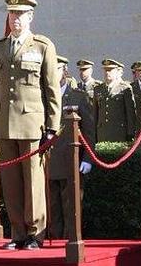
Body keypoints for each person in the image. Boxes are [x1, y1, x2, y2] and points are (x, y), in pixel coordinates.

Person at [0, 0, 61, 250]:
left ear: (30, 17)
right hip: (5, 123)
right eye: (11, 14)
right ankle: (17, 232)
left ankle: (34, 234)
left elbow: (51, 89)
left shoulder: (42, 46)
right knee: (10, 182)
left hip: (32, 124)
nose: (15, 19)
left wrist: (52, 127)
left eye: (20, 15)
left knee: (33, 181)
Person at [48, 56, 94, 239]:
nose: (53, 73)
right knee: (52, 208)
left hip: (71, 159)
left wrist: (88, 158)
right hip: (49, 160)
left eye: (57, 69)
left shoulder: (78, 96)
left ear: (64, 71)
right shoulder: (44, 97)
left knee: (71, 206)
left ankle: (70, 242)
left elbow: (89, 131)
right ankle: (54, 242)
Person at [93, 59, 137, 142]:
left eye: (110, 70)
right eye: (105, 70)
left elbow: (130, 114)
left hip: (119, 133)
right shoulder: (98, 89)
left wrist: (130, 133)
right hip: (102, 133)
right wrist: (94, 132)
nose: (107, 73)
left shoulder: (125, 88)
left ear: (117, 72)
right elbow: (96, 114)